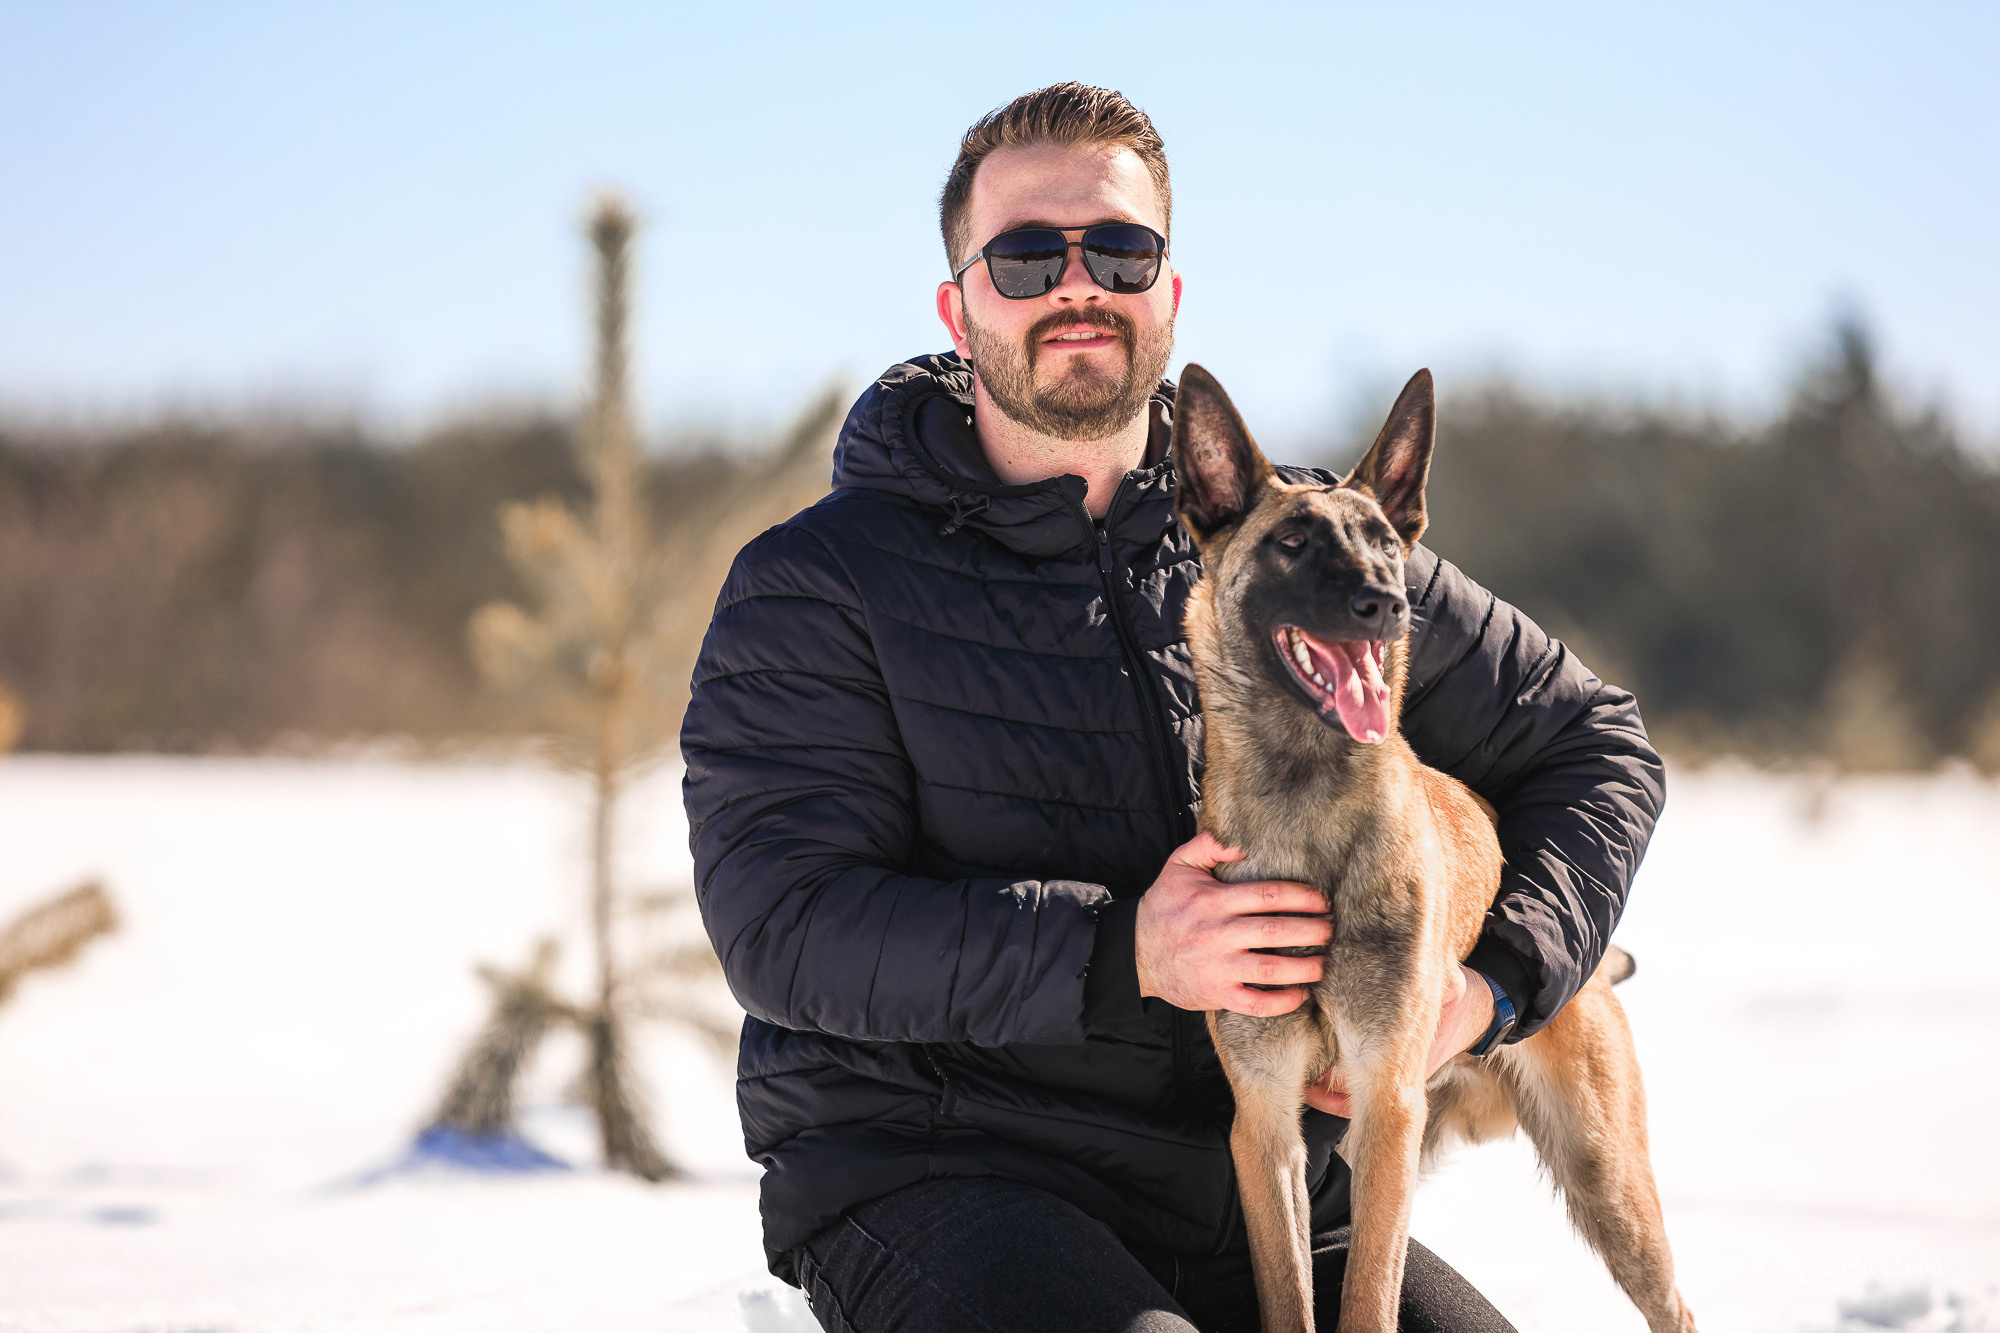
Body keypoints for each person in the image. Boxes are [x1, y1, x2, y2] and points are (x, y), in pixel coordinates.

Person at [681, 83, 1663, 1333]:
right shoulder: (819, 582)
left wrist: (1495, 987)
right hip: (947, 1178)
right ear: (957, 301)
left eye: (1119, 249)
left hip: (1262, 1195)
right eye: (1025, 254)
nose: (1074, 284)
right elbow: (783, 926)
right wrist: (1123, 952)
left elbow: (1594, 746)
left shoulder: (1306, 548)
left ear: (1169, 292)